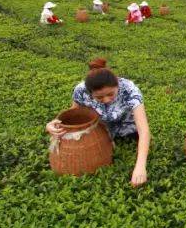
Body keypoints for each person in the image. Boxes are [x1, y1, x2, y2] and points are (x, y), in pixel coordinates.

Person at [46, 59, 150, 187]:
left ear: (118, 84)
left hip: (127, 127)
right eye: (99, 97)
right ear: (90, 93)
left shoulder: (130, 90)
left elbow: (143, 129)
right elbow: (74, 114)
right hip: (101, 127)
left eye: (111, 94)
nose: (106, 100)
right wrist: (52, 124)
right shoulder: (80, 90)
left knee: (134, 139)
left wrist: (140, 167)